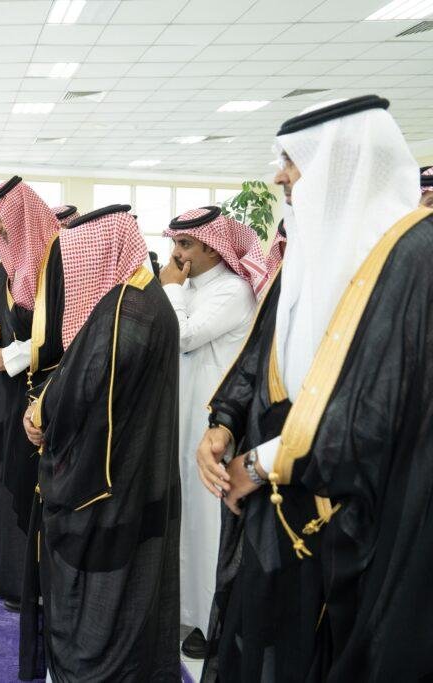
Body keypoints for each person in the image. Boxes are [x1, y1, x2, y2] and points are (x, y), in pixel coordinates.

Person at [197, 95, 433, 681]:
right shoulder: (308, 248)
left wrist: (260, 464)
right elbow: (262, 356)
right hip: (275, 513)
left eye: (291, 161)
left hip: (356, 528)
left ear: (340, 159)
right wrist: (223, 423)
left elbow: (376, 414)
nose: (280, 177)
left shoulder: (414, 258)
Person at [19, 210, 180, 682]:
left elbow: (83, 386)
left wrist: (40, 415)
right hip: (133, 467)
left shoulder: (125, 309)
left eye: (74, 259)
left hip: (107, 479)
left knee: (101, 594)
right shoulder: (142, 297)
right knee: (131, 587)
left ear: (101, 251)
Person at [157, 205, 264, 659]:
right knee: (182, 521)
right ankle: (183, 611)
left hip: (214, 429)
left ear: (214, 248)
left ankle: (209, 620)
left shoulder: (232, 291)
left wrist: (171, 289)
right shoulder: (187, 288)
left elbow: (182, 336)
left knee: (206, 525)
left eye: (186, 245)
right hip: (180, 422)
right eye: (175, 243)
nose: (177, 254)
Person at [0, 176, 62, 608]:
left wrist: (8, 356)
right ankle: (2, 570)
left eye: (1, 217)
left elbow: (65, 332)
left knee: (25, 482)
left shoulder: (56, 264)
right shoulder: (7, 267)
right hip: (0, 395)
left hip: (36, 393)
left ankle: (27, 583)